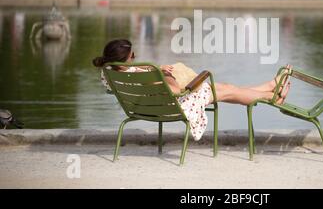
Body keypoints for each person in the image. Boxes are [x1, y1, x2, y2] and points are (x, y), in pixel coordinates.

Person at [93, 39, 292, 141]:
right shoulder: (139, 72)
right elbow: (174, 90)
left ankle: (270, 89)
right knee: (227, 90)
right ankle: (272, 96)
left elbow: (140, 78)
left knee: (225, 89)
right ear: (125, 59)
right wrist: (166, 74)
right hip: (177, 104)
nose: (135, 57)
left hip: (150, 107)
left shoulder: (109, 72)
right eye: (132, 55)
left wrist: (154, 71)